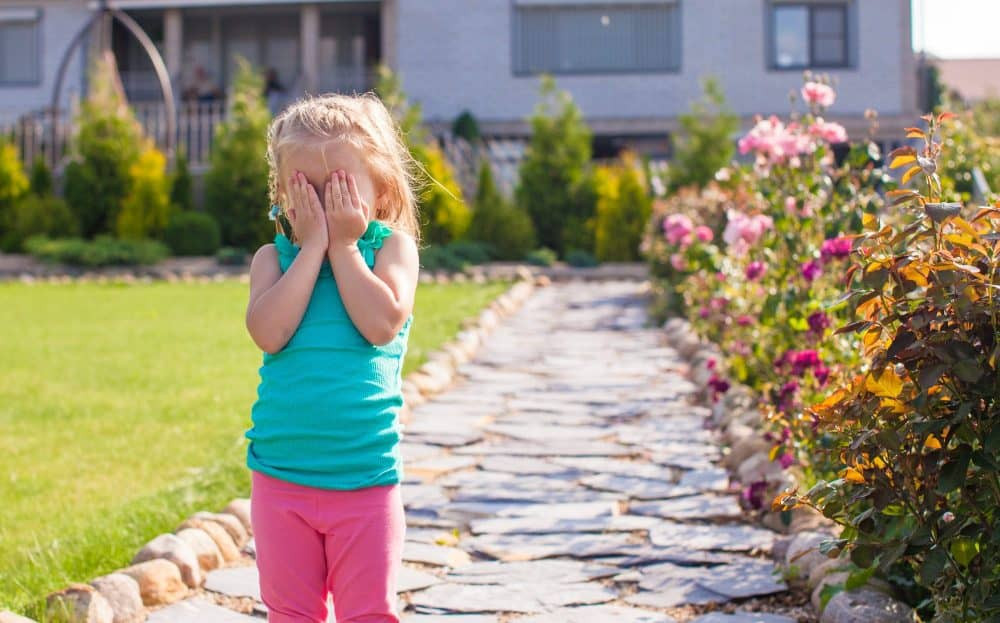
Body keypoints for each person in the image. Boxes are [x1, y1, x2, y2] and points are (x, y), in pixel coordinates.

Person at [244, 93, 420, 623]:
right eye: (306, 190)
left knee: (367, 612)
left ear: (380, 187)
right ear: (282, 196)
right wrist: (314, 247)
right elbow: (269, 333)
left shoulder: (390, 250)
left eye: (339, 188)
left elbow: (381, 322)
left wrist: (342, 248)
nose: (322, 204)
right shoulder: (272, 260)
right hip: (281, 476)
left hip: (364, 477)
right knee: (291, 613)